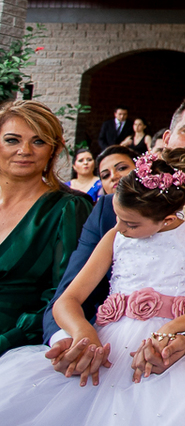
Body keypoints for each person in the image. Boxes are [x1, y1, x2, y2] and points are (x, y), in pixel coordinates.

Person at [0, 148, 185, 424]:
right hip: (112, 339)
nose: (121, 227)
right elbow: (68, 298)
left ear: (168, 219)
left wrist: (172, 328)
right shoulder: (115, 236)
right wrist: (83, 332)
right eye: (118, 217)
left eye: (131, 224)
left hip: (170, 338)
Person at [43, 88, 185, 382]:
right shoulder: (110, 210)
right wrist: (74, 339)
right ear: (166, 138)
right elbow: (67, 294)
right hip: (109, 347)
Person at [0, 101, 92, 357]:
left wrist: (11, 338)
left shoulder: (69, 208)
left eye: (38, 141)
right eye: (12, 140)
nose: (24, 150)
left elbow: (64, 292)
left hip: (18, 344)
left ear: (53, 150)